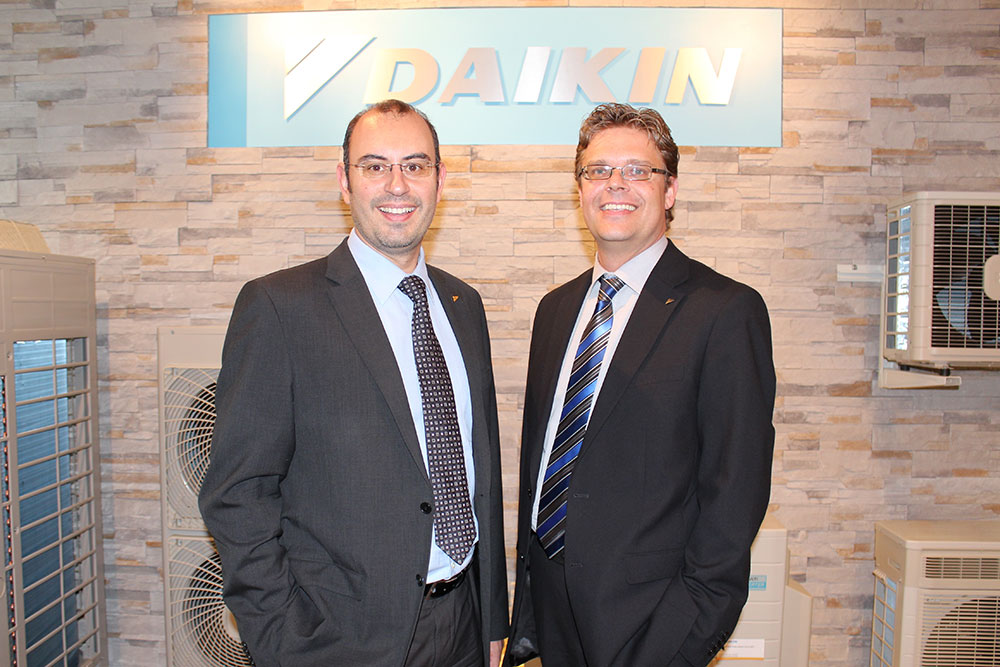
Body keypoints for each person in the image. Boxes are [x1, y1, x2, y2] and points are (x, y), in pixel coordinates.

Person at [199, 99, 507, 667]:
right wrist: (287, 641)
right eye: (374, 166)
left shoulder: (463, 305)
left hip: (463, 626)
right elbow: (237, 494)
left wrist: (492, 617)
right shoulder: (280, 307)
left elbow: (476, 473)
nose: (397, 185)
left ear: (440, 180)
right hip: (338, 640)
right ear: (344, 181)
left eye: (415, 165)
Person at [505, 103, 776, 667]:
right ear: (581, 189)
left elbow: (734, 495)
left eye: (638, 170)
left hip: (653, 625)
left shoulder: (725, 311)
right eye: (599, 171)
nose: (616, 184)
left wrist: (686, 635)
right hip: (552, 614)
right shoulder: (555, 310)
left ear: (670, 189)